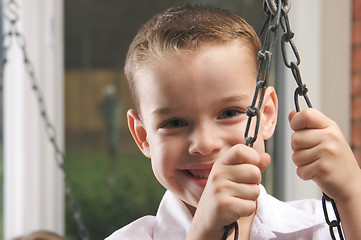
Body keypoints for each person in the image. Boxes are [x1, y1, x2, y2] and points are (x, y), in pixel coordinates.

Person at [106, 4, 361, 240]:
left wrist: (353, 193)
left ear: (268, 114)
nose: (205, 144)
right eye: (174, 123)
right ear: (143, 136)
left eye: (229, 113)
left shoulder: (322, 227)